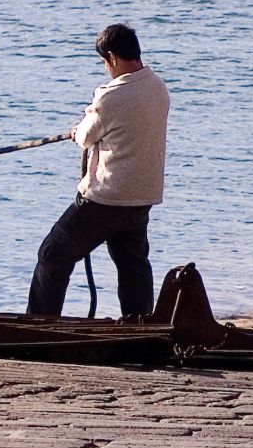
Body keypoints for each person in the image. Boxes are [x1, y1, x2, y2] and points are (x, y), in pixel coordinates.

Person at [27, 23, 170, 318]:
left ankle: (39, 324)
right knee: (132, 265)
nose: (106, 69)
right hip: (142, 195)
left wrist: (78, 130)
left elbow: (86, 136)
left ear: (112, 58)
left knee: (52, 256)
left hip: (106, 197)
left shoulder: (110, 96)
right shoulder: (157, 86)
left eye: (105, 62)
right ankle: (140, 325)